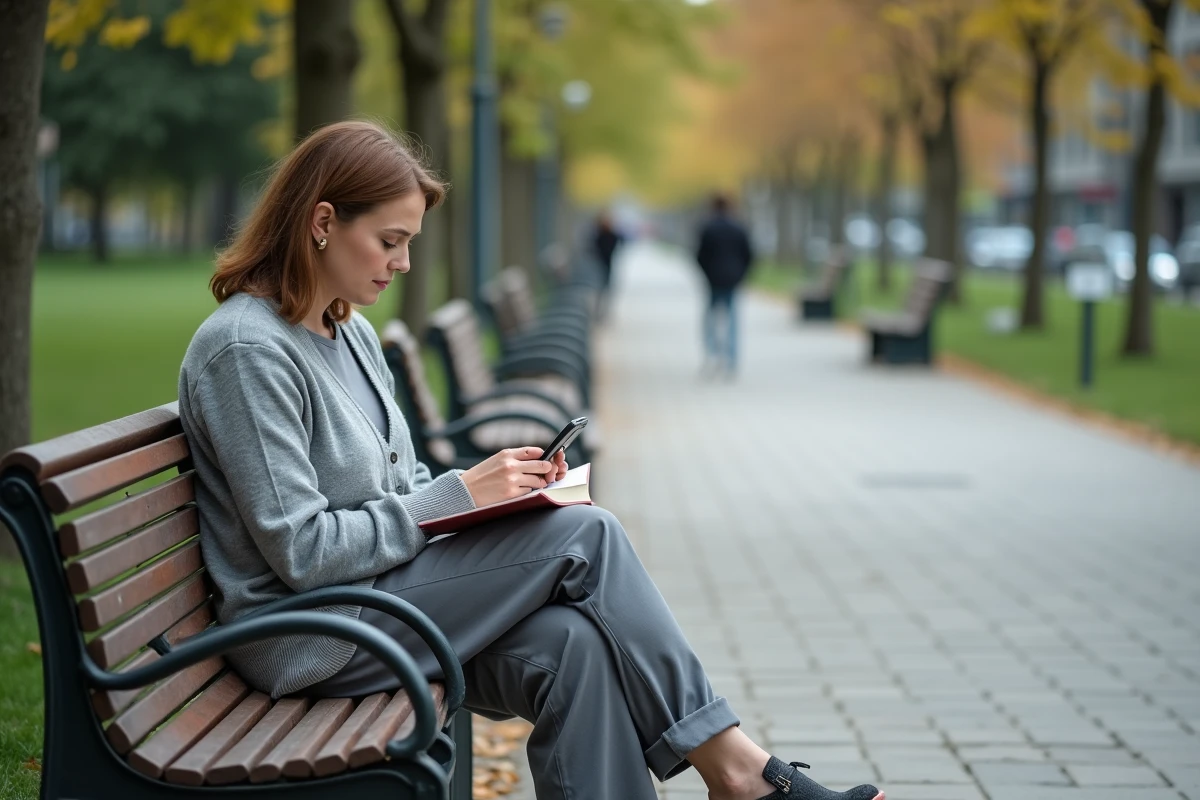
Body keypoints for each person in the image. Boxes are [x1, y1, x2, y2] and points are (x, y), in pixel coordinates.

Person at [178, 121, 882, 800]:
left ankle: (732, 771)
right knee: (589, 534)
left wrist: (496, 502)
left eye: (410, 243)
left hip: (377, 600)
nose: (404, 263)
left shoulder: (347, 330)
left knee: (575, 644)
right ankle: (736, 772)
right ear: (323, 221)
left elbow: (404, 489)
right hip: (312, 633)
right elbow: (300, 551)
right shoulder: (248, 350)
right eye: (390, 241)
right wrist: (459, 496)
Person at [695, 194, 754, 378]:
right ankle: (731, 358)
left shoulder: (708, 228)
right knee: (732, 319)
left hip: (713, 279)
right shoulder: (739, 228)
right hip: (732, 279)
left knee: (711, 318)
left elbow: (700, 255)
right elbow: (749, 254)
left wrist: (706, 274)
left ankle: (712, 353)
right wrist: (741, 275)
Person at [592, 210, 623, 318]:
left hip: (606, 264)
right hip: (599, 265)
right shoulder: (599, 235)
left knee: (605, 288)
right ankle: (599, 311)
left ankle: (603, 311)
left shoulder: (608, 235)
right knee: (600, 288)